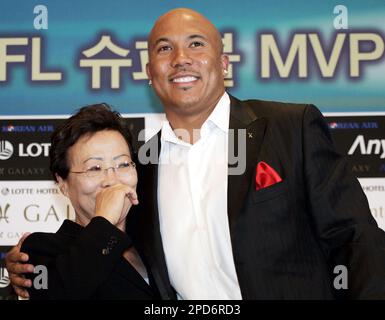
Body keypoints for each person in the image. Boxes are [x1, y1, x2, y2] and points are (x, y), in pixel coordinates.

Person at [7, 8, 385, 299]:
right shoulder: (139, 168)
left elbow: (355, 238)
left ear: (223, 64)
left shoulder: (290, 127)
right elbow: (99, 259)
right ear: (150, 73)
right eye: (164, 48)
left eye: (196, 44)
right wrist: (22, 273)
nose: (181, 58)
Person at [9, 103, 159, 299]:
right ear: (62, 183)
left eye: (123, 164)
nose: (112, 180)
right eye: (94, 168)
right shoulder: (39, 251)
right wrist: (104, 221)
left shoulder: (155, 241)